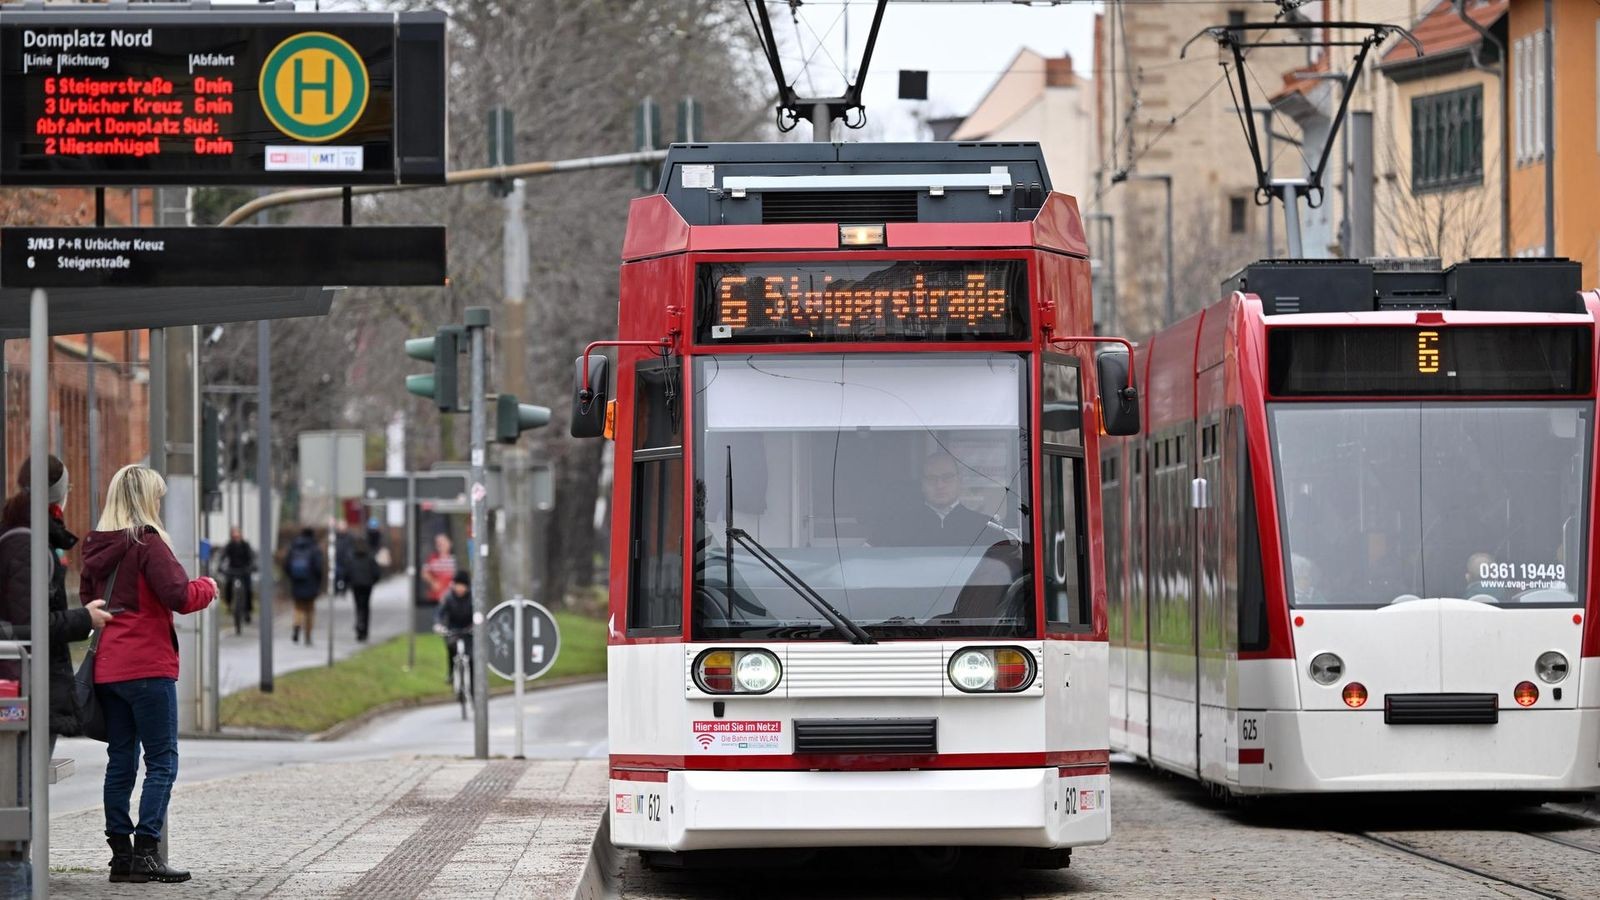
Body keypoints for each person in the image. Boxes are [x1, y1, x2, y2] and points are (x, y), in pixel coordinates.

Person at [79, 464, 216, 884]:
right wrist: (209, 586)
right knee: (162, 761)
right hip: (147, 668)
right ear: (144, 500)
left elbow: (88, 601)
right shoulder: (147, 543)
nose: (159, 503)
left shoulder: (95, 547)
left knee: (120, 760)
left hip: (109, 669)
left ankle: (120, 856)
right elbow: (179, 595)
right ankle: (147, 853)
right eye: (156, 497)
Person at [0, 456, 113, 742]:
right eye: (69, 488)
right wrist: (84, 618)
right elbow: (32, 624)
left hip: (27, 683)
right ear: (58, 495)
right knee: (23, 782)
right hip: (25, 685)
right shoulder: (27, 544)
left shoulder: (21, 534)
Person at [869, 452, 998, 548]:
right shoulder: (895, 526)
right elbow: (868, 562)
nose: (940, 485)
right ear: (922, 484)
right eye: (931, 478)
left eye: (947, 477)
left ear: (960, 481)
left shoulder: (986, 527)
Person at [283, 528, 325, 644]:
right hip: (311, 583)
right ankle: (308, 635)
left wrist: (292, 577)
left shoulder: (294, 547)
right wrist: (319, 582)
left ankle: (297, 625)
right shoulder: (315, 549)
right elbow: (318, 568)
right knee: (310, 609)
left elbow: (286, 565)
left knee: (298, 607)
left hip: (297, 582)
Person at [434, 570, 474, 690]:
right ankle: (451, 673)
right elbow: (440, 613)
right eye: (458, 585)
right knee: (451, 648)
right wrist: (439, 625)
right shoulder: (448, 597)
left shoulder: (473, 598)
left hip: (468, 629)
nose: (460, 589)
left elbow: (478, 613)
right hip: (453, 628)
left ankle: (472, 684)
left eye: (462, 586)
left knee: (471, 656)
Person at [219, 526, 256, 624]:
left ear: (240, 535)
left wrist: (251, 566)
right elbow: (222, 557)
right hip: (232, 571)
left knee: (248, 590)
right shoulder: (229, 546)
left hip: (244, 571)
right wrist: (221, 567)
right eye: (234, 535)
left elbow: (251, 558)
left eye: (237, 535)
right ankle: (229, 604)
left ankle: (247, 611)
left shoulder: (245, 545)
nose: (236, 537)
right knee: (228, 586)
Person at [346, 541, 381, 642]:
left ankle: (359, 624)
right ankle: (364, 629)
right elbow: (376, 572)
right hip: (367, 585)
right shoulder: (370, 558)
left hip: (356, 585)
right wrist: (372, 581)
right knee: (365, 606)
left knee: (358, 606)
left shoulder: (352, 558)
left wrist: (349, 582)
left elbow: (348, 572)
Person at [422, 532, 457, 604]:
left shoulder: (455, 559)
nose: (440, 545)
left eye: (443, 542)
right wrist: (433, 582)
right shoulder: (432, 558)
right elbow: (424, 573)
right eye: (438, 543)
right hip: (436, 596)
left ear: (450, 543)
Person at [332, 519, 355, 598]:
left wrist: (350, 556)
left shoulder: (350, 536)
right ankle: (336, 590)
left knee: (345, 576)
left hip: (346, 560)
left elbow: (352, 547)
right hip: (337, 559)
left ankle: (343, 590)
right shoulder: (335, 536)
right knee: (337, 575)